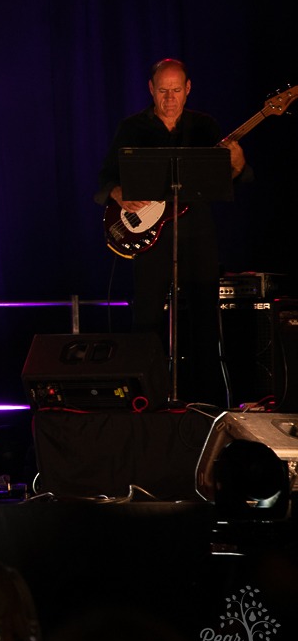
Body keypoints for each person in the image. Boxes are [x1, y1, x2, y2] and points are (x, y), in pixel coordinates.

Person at [96, 58, 249, 406]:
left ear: (188, 88)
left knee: (203, 315)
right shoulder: (132, 128)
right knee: (146, 315)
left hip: (197, 233)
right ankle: (146, 400)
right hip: (150, 238)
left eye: (176, 90)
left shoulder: (205, 127)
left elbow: (229, 180)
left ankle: (205, 403)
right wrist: (119, 192)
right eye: (162, 90)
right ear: (151, 89)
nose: (169, 98)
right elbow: (105, 178)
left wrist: (237, 165)